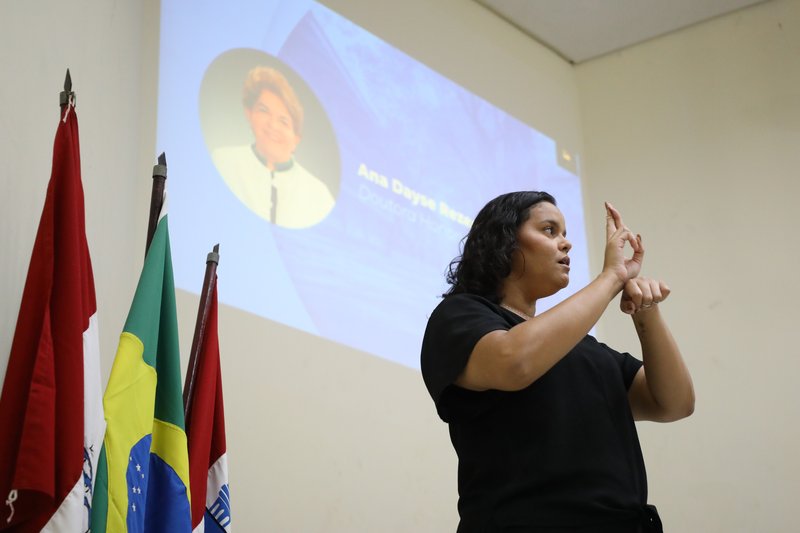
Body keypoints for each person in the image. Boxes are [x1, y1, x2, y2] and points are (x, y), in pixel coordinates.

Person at [420, 191, 694, 532]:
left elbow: (674, 403)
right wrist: (611, 278)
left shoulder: (585, 349)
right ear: (503, 241)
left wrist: (646, 311)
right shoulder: (460, 316)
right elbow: (515, 363)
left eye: (564, 233)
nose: (566, 243)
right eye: (549, 230)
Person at [212, 66, 335, 229]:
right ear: (250, 114)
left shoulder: (319, 196)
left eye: (283, 121)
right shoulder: (223, 162)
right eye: (264, 111)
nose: (273, 125)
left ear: (296, 139)